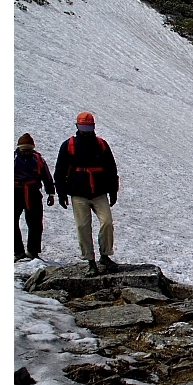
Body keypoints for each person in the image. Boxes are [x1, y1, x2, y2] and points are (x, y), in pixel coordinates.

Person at [54, 111, 120, 277]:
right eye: (83, 127)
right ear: (77, 126)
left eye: (88, 127)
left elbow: (111, 169)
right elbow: (60, 171)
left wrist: (113, 190)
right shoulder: (69, 145)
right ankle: (90, 261)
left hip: (98, 192)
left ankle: (105, 255)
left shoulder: (101, 145)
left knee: (107, 223)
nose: (85, 130)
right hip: (79, 193)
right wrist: (61, 192)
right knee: (83, 227)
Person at [14, 133, 55, 261]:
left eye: (29, 150)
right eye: (24, 150)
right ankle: (18, 251)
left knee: (35, 223)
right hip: (14, 192)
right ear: (19, 148)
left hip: (33, 193)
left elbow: (47, 177)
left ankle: (33, 251)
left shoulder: (38, 159)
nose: (26, 152)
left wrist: (51, 193)